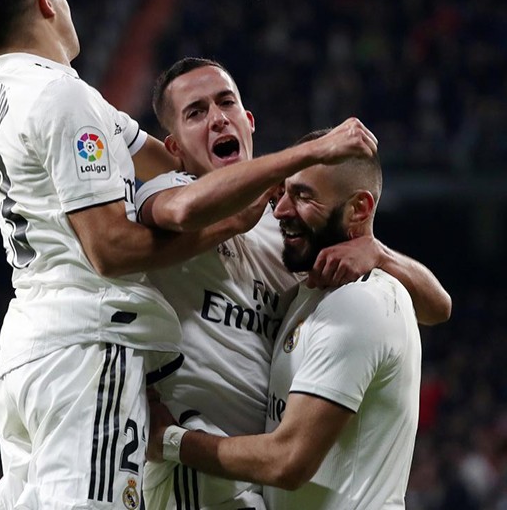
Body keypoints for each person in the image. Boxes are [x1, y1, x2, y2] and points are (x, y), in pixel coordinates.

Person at [0, 0, 384, 508]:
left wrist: (255, 184)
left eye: (224, 105)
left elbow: (165, 160)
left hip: (32, 348)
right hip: (88, 347)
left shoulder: (15, 96)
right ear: (47, 1)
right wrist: (287, 172)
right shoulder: (62, 96)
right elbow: (110, 248)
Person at [137, 58, 449, 509]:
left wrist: (379, 253)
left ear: (248, 122)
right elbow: (186, 210)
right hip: (190, 479)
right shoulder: (163, 194)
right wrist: (304, 155)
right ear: (175, 147)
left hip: (254, 475)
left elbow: (437, 307)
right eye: (196, 112)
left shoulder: (289, 232)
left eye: (226, 103)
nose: (217, 118)